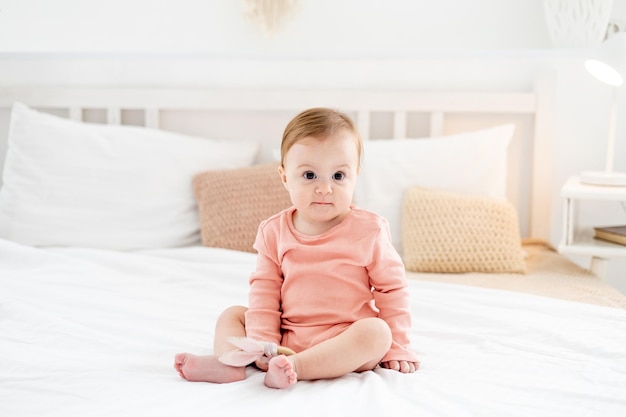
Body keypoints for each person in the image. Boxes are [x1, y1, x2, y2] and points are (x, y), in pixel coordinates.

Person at [174, 107, 419, 389]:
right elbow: (265, 291)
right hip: (285, 336)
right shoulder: (273, 231)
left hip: (343, 338)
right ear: (285, 177)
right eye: (310, 175)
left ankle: (296, 367)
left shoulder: (369, 230)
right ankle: (231, 363)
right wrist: (264, 343)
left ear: (355, 176)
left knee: (377, 332)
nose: (325, 188)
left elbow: (392, 290)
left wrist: (397, 346)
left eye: (338, 176)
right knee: (233, 314)